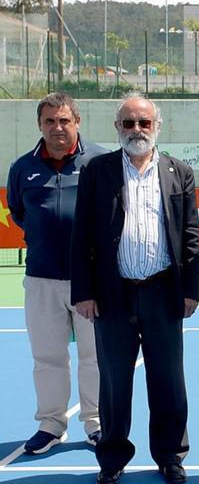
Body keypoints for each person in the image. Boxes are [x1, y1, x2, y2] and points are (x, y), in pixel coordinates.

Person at [70, 94, 199, 484]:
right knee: (113, 382)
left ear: (157, 126)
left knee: (168, 380)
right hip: (113, 293)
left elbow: (190, 235)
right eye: (128, 123)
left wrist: (190, 290)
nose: (137, 130)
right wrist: (84, 291)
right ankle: (112, 457)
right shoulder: (98, 170)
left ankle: (171, 455)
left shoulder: (179, 171)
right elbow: (82, 235)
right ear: (117, 129)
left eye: (144, 123)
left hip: (163, 291)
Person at [6, 92, 107, 454]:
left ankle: (96, 423)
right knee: (47, 356)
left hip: (92, 281)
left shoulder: (100, 161)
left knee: (95, 356)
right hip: (42, 278)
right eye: (50, 121)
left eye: (64, 120)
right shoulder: (22, 168)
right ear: (40, 125)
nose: (57, 128)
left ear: (77, 122)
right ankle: (51, 425)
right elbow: (19, 212)